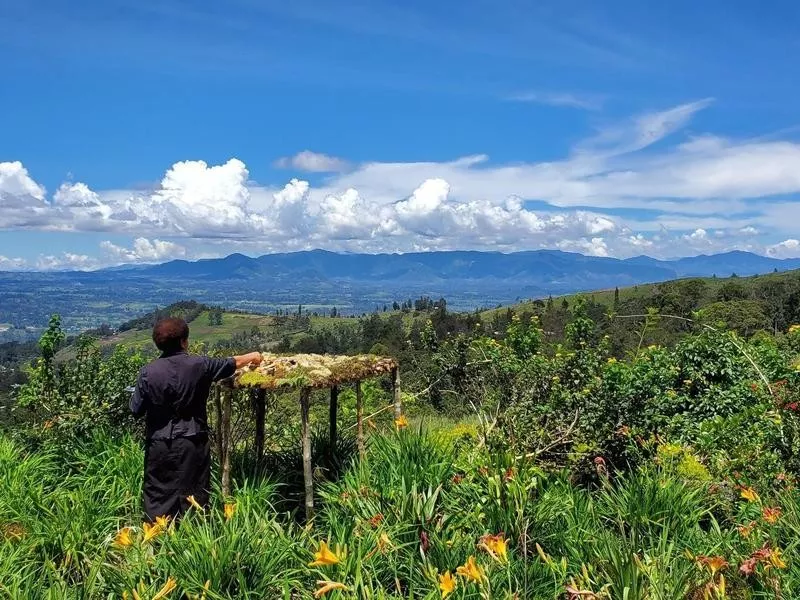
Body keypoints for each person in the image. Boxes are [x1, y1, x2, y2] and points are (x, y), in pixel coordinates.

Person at [130, 316, 262, 522]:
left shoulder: (148, 372)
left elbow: (136, 409)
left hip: (159, 443)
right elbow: (230, 363)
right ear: (184, 341)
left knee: (157, 495)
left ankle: (156, 542)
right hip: (193, 441)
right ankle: (194, 541)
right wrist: (253, 356)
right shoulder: (199, 365)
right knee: (195, 495)